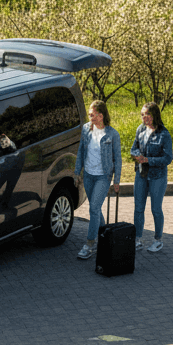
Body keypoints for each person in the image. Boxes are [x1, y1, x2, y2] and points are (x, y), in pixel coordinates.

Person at [73, 100, 122, 260]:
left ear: (101, 116)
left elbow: (118, 159)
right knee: (96, 209)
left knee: (94, 208)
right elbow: (81, 151)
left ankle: (89, 244)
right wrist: (77, 173)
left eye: (92, 114)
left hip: (103, 176)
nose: (90, 117)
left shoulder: (112, 134)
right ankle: (104, 236)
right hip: (88, 175)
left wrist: (117, 180)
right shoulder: (86, 129)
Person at [131, 102, 173, 253]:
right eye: (142, 115)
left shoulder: (164, 134)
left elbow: (168, 158)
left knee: (156, 209)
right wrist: (136, 155)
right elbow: (134, 147)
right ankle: (137, 239)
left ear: (154, 115)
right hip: (141, 175)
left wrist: (148, 160)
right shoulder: (140, 129)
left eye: (147, 114)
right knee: (138, 208)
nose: (144, 118)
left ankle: (158, 240)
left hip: (157, 177)